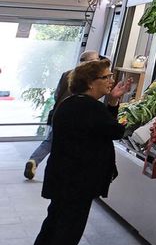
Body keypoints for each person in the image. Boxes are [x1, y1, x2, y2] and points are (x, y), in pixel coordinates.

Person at [14, 59, 132, 245]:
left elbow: (101, 129)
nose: (111, 81)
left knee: (50, 231)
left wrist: (110, 102)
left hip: (65, 182)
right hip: (78, 183)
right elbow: (114, 131)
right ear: (90, 83)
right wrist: (118, 111)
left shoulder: (71, 104)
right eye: (106, 77)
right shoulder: (88, 108)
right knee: (65, 235)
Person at [24, 50, 105, 181]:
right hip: (76, 116)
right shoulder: (90, 79)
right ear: (90, 61)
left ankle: (34, 160)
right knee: (63, 145)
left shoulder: (67, 74)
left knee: (51, 140)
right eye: (97, 59)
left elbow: (57, 95)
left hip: (59, 112)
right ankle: (55, 172)